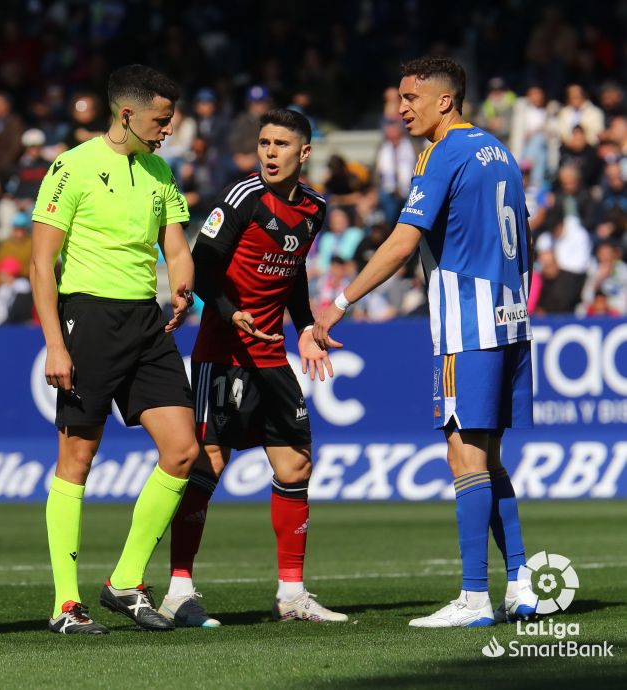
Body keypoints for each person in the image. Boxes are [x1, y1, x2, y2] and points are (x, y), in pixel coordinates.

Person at [314, 57, 538, 628]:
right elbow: (524, 237)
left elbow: (402, 241)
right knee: (488, 457)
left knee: (463, 455)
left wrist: (339, 304)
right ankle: (520, 585)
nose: (402, 108)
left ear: (446, 100)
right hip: (510, 319)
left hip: (468, 323)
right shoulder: (500, 152)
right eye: (399, 98)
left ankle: (472, 598)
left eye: (411, 97)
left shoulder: (444, 153)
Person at [161, 108, 347, 628]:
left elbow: (292, 274)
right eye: (264, 142)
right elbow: (202, 271)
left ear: (303, 153)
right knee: (208, 465)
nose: (269, 151)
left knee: (295, 466)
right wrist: (232, 314)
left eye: (281, 144)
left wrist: (307, 327)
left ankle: (291, 594)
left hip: (270, 356)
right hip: (224, 353)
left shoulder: (313, 208)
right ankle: (178, 589)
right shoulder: (242, 199)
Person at [31, 64, 197, 635]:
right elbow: (40, 264)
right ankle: (64, 604)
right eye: (161, 119)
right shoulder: (70, 167)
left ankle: (125, 582)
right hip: (89, 318)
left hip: (147, 323)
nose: (168, 128)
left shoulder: (159, 171)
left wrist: (182, 283)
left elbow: (175, 245)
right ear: (127, 114)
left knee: (182, 449)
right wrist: (55, 343)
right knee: (77, 459)